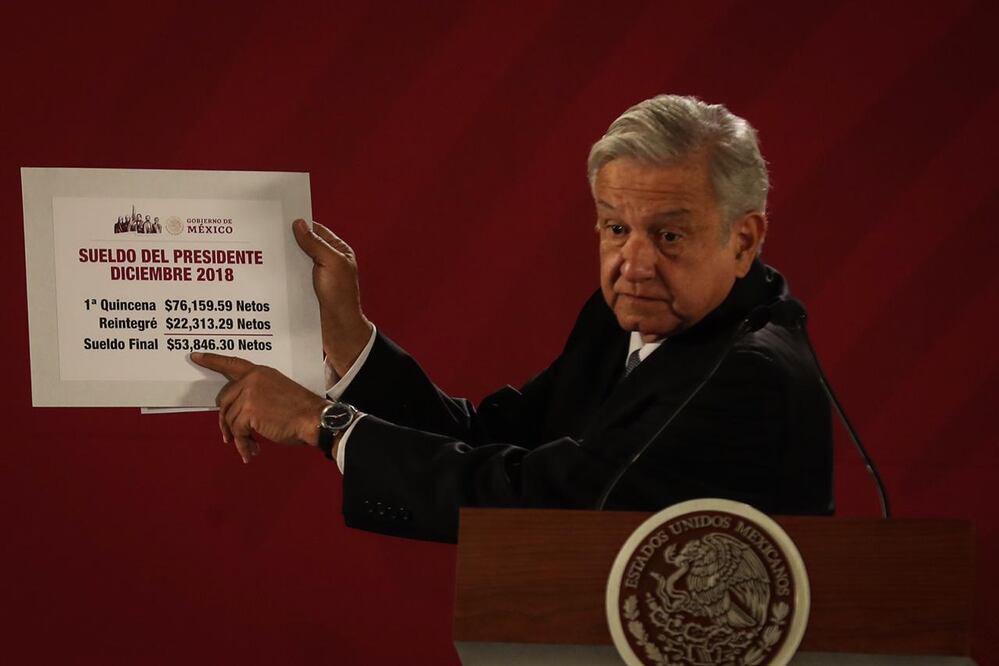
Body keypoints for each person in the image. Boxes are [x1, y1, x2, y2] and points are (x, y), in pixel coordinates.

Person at [192, 94, 833, 543]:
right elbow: (493, 441)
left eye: (668, 236)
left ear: (744, 240)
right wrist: (347, 334)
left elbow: (539, 501)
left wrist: (321, 421)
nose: (633, 264)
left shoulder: (752, 373)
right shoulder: (624, 320)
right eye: (615, 228)